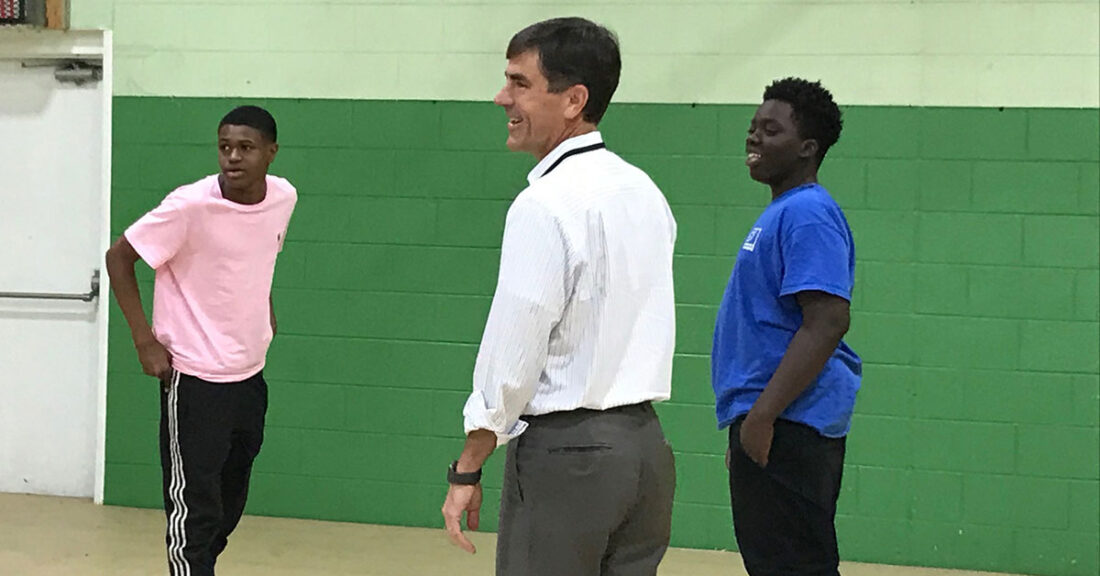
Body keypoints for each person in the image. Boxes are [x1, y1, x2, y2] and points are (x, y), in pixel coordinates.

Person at [439, 17, 678, 576]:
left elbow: (513, 353)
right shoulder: (644, 191)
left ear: (574, 99)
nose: (502, 98)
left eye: (520, 83)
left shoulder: (544, 206)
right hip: (646, 452)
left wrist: (469, 465)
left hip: (569, 459)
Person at [104, 105, 297, 576]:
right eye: (225, 146)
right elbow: (118, 259)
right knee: (193, 512)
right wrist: (143, 340)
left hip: (249, 375)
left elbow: (261, 253)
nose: (232, 157)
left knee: (229, 503)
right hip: (193, 380)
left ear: (270, 153)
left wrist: (262, 307)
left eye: (246, 148)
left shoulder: (284, 197)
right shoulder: (188, 206)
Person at [711, 77, 861, 576]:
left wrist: (761, 419)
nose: (754, 138)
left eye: (771, 131)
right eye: (753, 127)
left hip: (789, 425)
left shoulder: (808, 214)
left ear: (807, 148)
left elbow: (827, 322)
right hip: (771, 422)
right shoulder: (782, 212)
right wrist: (747, 421)